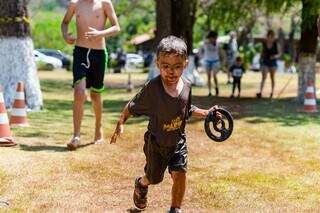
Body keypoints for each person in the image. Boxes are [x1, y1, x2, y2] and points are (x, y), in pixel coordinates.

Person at [110, 36, 221, 213]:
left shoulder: (187, 86)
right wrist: (121, 122)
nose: (171, 72)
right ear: (158, 63)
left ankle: (175, 209)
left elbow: (186, 109)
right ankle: (141, 183)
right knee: (154, 178)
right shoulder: (153, 88)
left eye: (177, 67)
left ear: (185, 64)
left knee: (180, 173)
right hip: (156, 143)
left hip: (178, 141)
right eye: (166, 66)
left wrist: (206, 113)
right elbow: (132, 105)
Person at [61, 0, 120, 150]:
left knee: (95, 95)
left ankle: (98, 128)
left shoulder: (105, 3)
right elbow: (65, 22)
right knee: (79, 93)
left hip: (99, 54)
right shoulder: (75, 4)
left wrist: (100, 34)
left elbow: (116, 27)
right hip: (80, 52)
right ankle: (76, 136)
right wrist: (65, 35)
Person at [256, 30, 280, 99]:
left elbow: (279, 54)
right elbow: (261, 53)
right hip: (265, 61)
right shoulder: (264, 44)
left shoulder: (276, 44)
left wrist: (275, 56)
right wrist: (260, 60)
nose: (269, 38)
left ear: (273, 37)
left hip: (273, 62)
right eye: (268, 37)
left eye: (271, 37)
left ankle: (272, 92)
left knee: (272, 78)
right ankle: (260, 92)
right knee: (264, 77)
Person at [200, 30, 223, 96]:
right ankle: (209, 91)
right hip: (207, 61)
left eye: (215, 38)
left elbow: (220, 51)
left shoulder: (217, 43)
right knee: (208, 76)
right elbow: (204, 41)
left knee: (214, 75)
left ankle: (216, 87)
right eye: (213, 37)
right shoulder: (206, 42)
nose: (214, 39)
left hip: (215, 61)